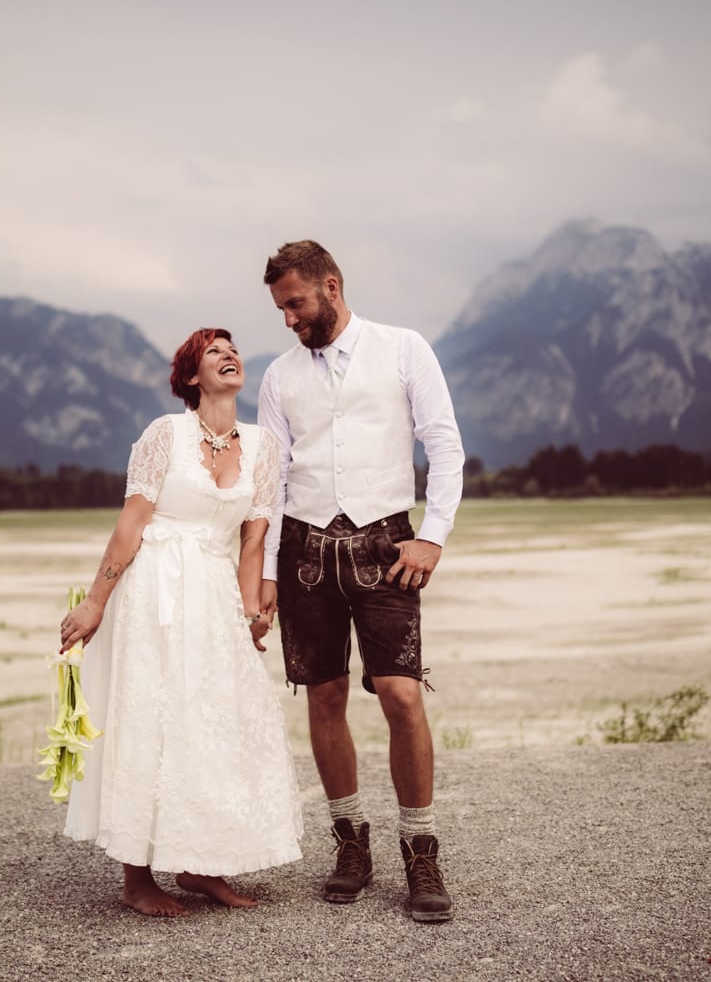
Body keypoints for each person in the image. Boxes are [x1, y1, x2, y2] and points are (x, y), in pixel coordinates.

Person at [58, 327, 303, 918]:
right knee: (154, 717)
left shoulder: (265, 447)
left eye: (232, 347)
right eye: (212, 351)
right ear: (192, 377)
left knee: (215, 719)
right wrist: (95, 601)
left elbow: (253, 541)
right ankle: (137, 877)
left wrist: (251, 616)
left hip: (217, 595)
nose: (229, 354)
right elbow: (132, 523)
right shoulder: (163, 434)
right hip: (155, 592)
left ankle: (201, 863)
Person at [255, 240, 464, 923]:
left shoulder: (404, 349)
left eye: (296, 303)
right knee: (324, 697)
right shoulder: (278, 377)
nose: (288, 318)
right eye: (281, 307)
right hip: (303, 549)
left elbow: (444, 442)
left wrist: (432, 534)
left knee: (402, 696)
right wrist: (262, 575)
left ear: (332, 286)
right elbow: (269, 481)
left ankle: (420, 847)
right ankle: (349, 842)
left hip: (387, 543)